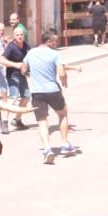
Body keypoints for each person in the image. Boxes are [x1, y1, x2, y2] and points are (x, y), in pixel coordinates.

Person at [23, 28, 77, 163]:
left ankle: (47, 149)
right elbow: (62, 73)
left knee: (42, 121)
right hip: (52, 90)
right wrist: (64, 81)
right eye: (55, 41)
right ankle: (65, 144)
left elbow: (23, 69)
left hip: (37, 92)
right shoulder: (55, 55)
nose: (56, 43)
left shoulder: (31, 52)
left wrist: (31, 75)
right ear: (48, 41)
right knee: (62, 114)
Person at [0, 26, 32, 133]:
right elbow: (1, 59)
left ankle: (17, 120)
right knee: (13, 98)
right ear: (14, 36)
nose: (19, 37)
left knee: (26, 96)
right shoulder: (11, 46)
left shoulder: (26, 45)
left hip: (22, 75)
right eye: (17, 35)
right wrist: (16, 65)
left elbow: (31, 57)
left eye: (21, 35)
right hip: (13, 75)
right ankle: (4, 122)